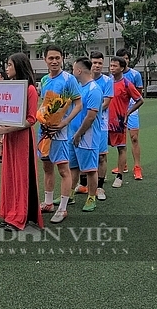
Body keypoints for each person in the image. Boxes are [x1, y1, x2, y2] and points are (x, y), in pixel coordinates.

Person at [37, 45, 82, 224]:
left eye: (57, 58)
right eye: (51, 58)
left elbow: (78, 104)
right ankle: (48, 203)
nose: (54, 61)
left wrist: (64, 122)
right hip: (45, 132)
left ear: (62, 58)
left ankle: (63, 208)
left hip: (61, 133)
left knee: (63, 170)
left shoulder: (69, 79)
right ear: (45, 60)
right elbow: (44, 104)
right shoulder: (45, 79)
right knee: (47, 167)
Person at [0, 53, 41, 231]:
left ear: (18, 66)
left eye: (9, 65)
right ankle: (10, 213)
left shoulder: (30, 89)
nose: (7, 68)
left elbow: (31, 119)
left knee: (21, 177)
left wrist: (8, 130)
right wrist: (1, 135)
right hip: (9, 137)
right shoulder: (11, 88)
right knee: (10, 176)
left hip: (22, 139)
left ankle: (19, 216)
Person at [68, 57, 103, 213]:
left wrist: (79, 134)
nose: (72, 71)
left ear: (79, 70)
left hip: (86, 136)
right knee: (73, 166)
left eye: (73, 68)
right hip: (73, 134)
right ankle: (69, 194)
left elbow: (91, 116)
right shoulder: (80, 87)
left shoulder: (94, 90)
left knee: (89, 169)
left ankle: (91, 197)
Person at [108, 57, 144, 188]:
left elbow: (140, 100)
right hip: (104, 121)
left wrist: (128, 113)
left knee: (121, 147)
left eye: (115, 66)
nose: (112, 68)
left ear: (122, 68)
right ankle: (101, 176)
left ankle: (120, 176)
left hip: (119, 122)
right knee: (101, 151)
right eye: (111, 65)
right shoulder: (107, 81)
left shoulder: (127, 83)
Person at [83, 51, 114, 201]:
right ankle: (83, 185)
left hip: (100, 125)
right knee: (81, 153)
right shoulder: (82, 80)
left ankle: (99, 187)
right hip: (83, 123)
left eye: (100, 63)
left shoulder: (107, 81)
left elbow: (107, 102)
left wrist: (92, 111)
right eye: (94, 62)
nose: (97, 65)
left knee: (101, 156)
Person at [116, 48, 145, 180]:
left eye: (126, 58)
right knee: (119, 141)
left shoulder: (135, 75)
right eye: (122, 59)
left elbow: (139, 95)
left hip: (131, 110)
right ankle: (124, 165)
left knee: (134, 138)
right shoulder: (112, 76)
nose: (125, 61)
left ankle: (137, 167)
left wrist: (131, 109)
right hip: (118, 113)